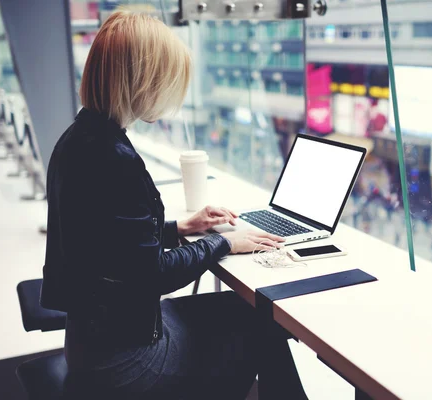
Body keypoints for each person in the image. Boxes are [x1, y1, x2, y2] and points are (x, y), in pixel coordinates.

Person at [40, 11, 307, 400]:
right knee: (262, 326)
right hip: (124, 363)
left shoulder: (79, 138)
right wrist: (223, 243)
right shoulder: (114, 159)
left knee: (246, 313)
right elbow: (153, 275)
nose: (170, 96)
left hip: (91, 343)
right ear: (142, 81)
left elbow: (111, 244)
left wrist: (181, 228)